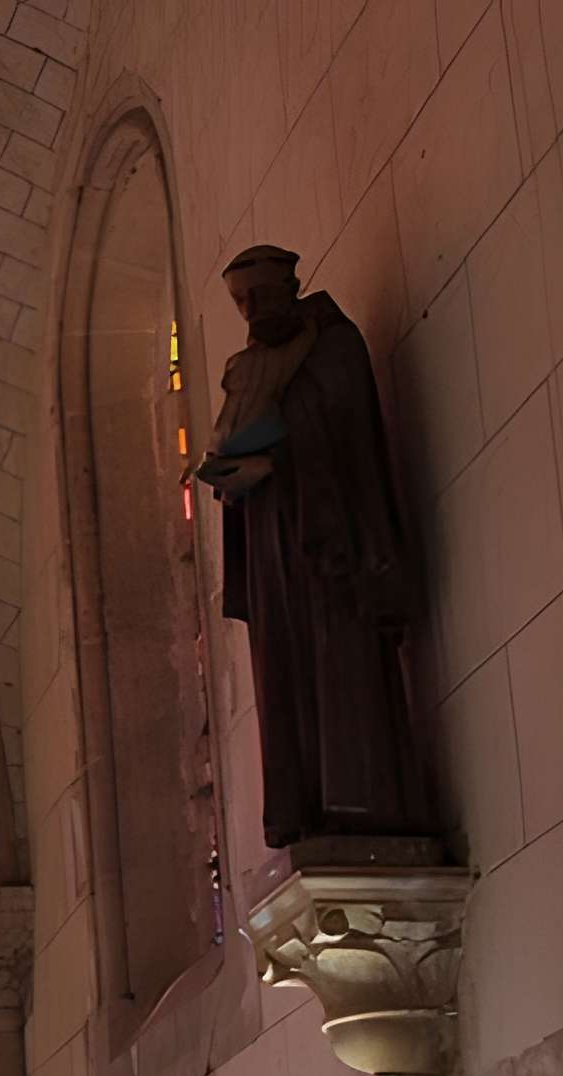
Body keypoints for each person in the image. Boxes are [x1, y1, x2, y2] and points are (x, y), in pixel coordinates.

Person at [195, 245, 433, 849]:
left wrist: (274, 449)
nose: (250, 310)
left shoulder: (332, 346)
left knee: (339, 662)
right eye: (239, 300)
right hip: (274, 533)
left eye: (260, 296)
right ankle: (304, 808)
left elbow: (345, 435)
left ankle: (361, 803)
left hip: (329, 541)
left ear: (291, 286)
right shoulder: (251, 363)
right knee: (286, 670)